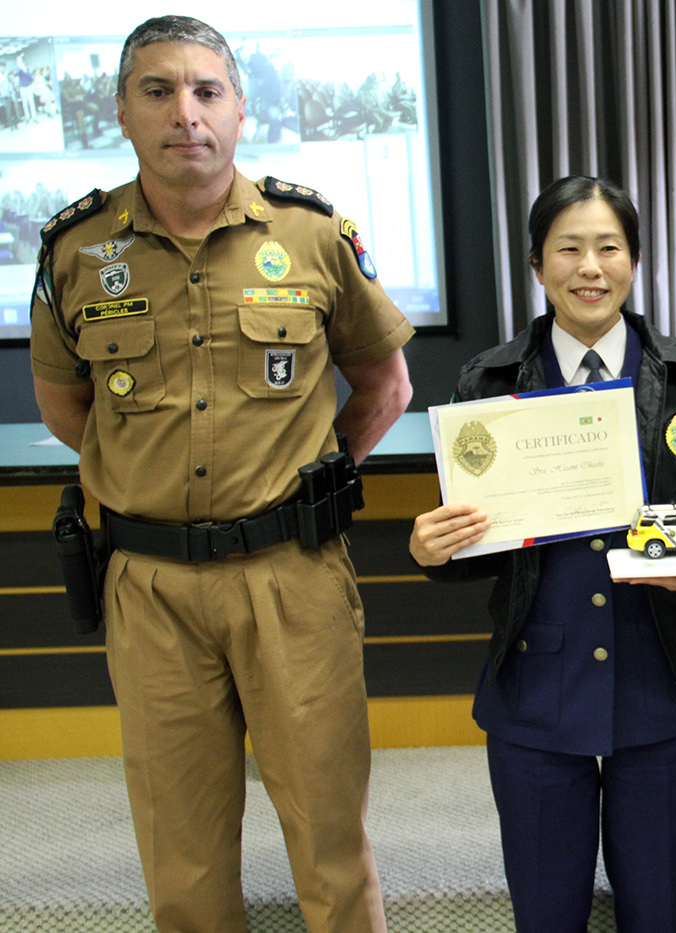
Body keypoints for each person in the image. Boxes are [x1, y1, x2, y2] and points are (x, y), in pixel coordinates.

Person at [29, 15, 413, 933]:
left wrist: (308, 478)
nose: (185, 113)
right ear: (122, 113)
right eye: (157, 91)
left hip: (293, 578)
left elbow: (385, 385)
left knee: (329, 837)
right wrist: (148, 478)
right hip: (151, 588)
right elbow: (67, 409)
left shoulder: (311, 233)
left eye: (206, 91)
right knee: (184, 856)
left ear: (241, 110)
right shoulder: (76, 250)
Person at [409, 174, 676, 933]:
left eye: (609, 247)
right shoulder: (487, 381)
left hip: (659, 676)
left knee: (659, 909)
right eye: (569, 249)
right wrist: (433, 548)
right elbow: (479, 544)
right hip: (536, 683)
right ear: (537, 264)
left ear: (635, 259)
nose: (590, 268)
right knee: (545, 911)